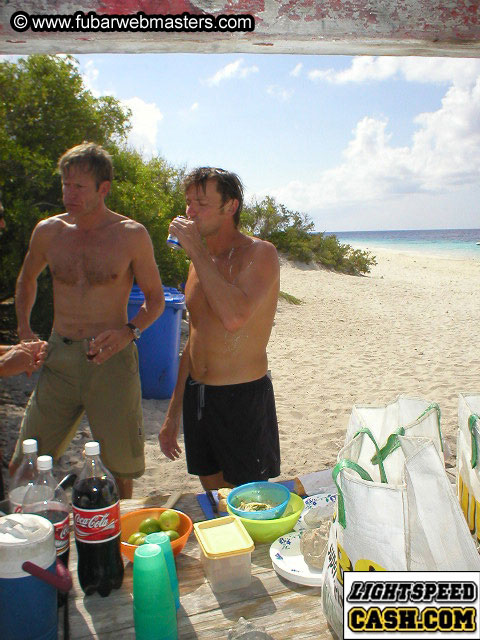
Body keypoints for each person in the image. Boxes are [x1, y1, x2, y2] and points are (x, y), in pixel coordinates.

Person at [8, 142, 165, 498]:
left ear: (103, 188)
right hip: (59, 356)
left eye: (78, 186)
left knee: (122, 469)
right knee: (25, 460)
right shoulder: (49, 231)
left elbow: (156, 300)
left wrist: (129, 332)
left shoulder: (130, 235)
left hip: (111, 359)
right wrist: (24, 330)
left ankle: (122, 541)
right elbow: (27, 278)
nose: (69, 194)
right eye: (65, 184)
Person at [158, 167, 281, 490]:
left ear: (231, 207)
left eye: (201, 203)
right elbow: (195, 338)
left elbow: (233, 318)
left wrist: (196, 250)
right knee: (214, 498)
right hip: (199, 396)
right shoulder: (198, 263)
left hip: (242, 398)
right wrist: (173, 414)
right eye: (187, 203)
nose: (190, 211)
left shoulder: (259, 254)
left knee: (249, 501)